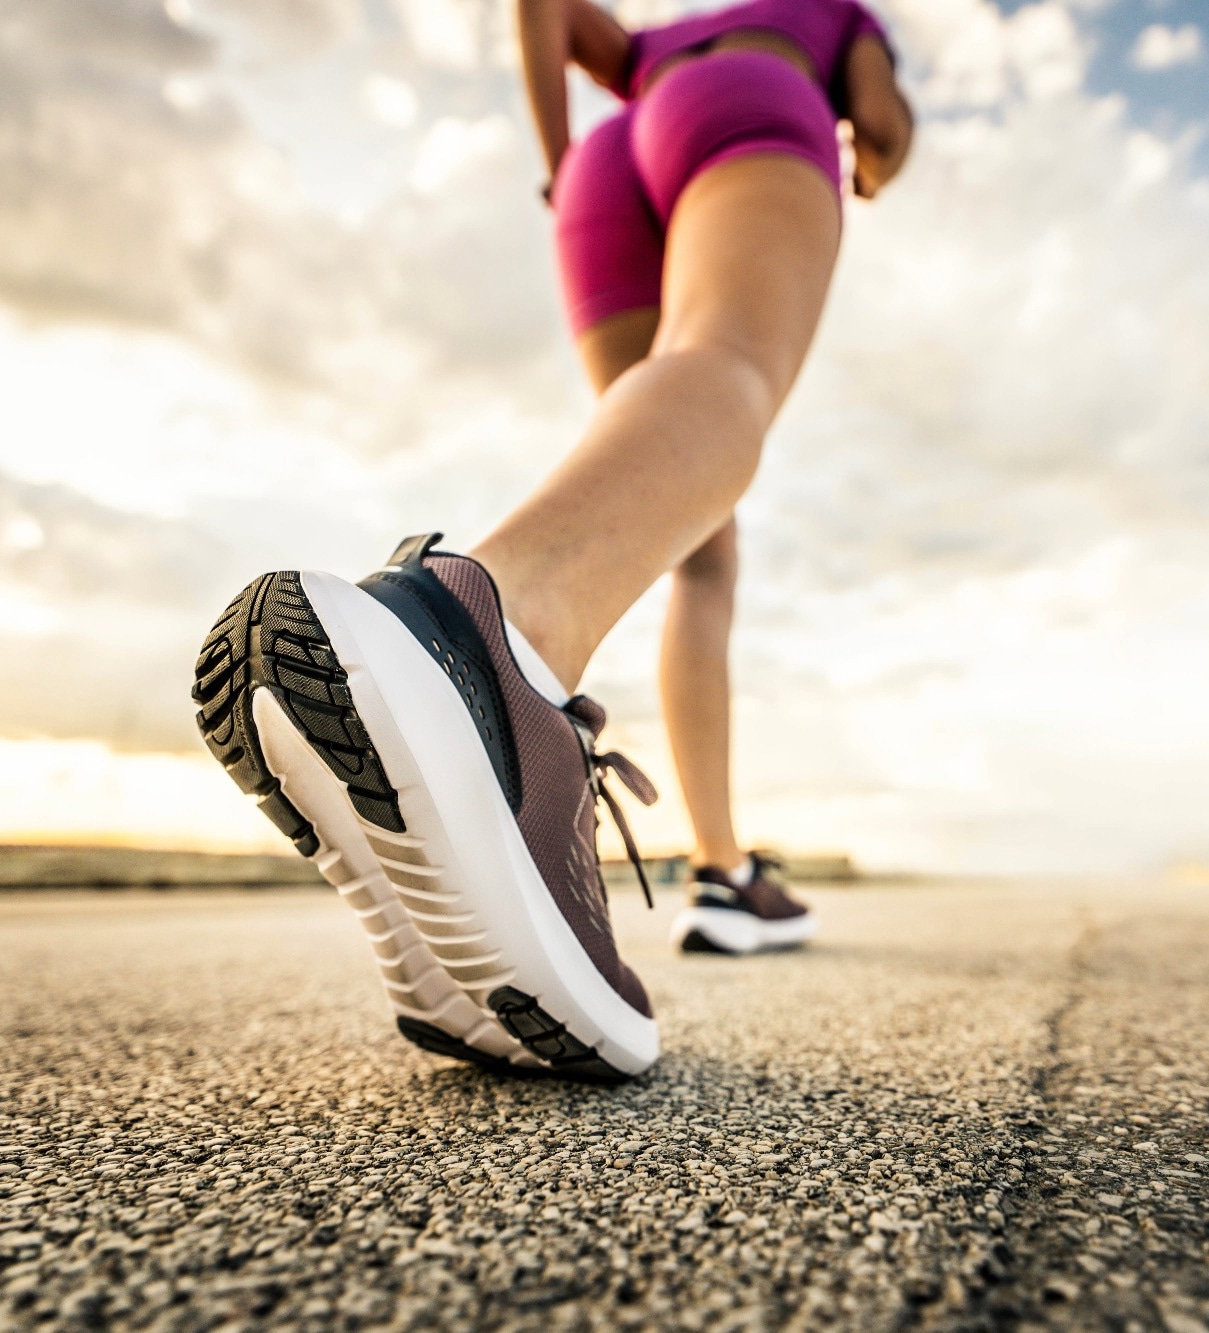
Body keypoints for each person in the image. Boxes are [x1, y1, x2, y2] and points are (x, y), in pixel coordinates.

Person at [192, 0, 912, 1080]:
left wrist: (559, 156)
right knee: (727, 365)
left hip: (610, 158)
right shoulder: (827, 14)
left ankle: (718, 866)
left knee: (694, 529)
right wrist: (870, 154)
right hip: (747, 113)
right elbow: (882, 129)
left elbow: (550, 11)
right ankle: (487, 642)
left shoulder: (654, 50)